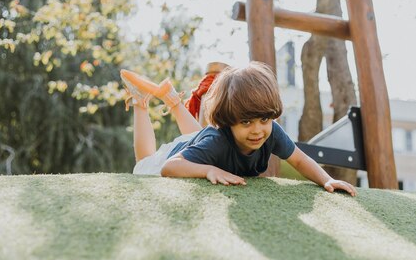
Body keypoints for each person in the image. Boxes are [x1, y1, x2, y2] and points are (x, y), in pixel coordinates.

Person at [120, 61, 357, 196]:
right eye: (246, 122)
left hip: (197, 141)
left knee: (195, 136)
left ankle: (172, 99)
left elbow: (298, 159)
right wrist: (208, 170)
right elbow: (169, 167)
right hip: (179, 155)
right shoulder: (217, 141)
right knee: (144, 162)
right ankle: (140, 101)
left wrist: (326, 179)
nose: (257, 130)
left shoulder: (270, 130)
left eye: (263, 119)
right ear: (228, 121)